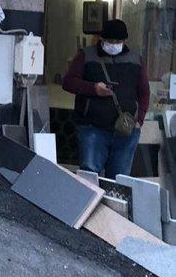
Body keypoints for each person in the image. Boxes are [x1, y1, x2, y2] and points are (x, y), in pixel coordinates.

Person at [62, 18, 149, 178]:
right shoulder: (86, 56)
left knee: (120, 179)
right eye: (110, 40)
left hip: (126, 129)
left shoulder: (136, 60)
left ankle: (114, 204)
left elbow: (144, 92)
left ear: (124, 41)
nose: (113, 44)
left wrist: (140, 120)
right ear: (101, 38)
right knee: (89, 175)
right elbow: (68, 82)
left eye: (118, 41)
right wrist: (93, 89)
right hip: (92, 127)